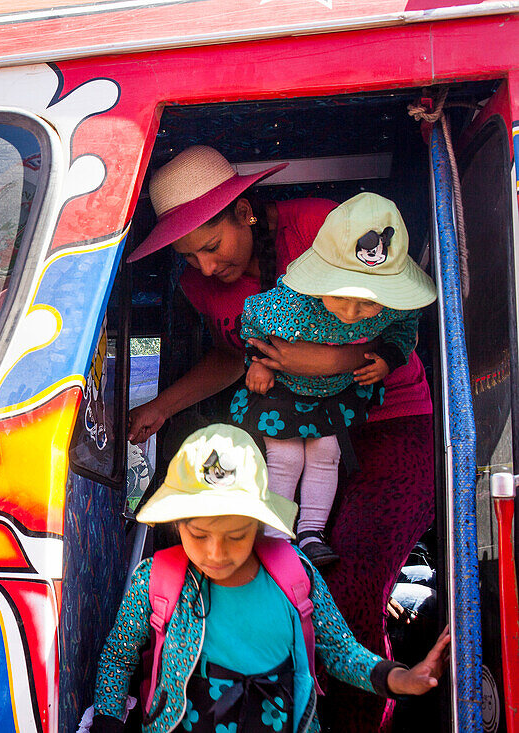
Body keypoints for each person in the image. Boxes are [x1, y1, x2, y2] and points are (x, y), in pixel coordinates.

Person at [125, 146, 436, 732]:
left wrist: (315, 362)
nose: (207, 269)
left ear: (244, 211)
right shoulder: (201, 288)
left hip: (388, 419)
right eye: (189, 258)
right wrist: (162, 408)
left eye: (212, 247)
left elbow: (392, 320)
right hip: (293, 423)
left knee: (348, 586)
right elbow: (235, 356)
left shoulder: (319, 225)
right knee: (278, 572)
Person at [90, 424, 449, 733]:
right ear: (178, 524)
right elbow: (118, 659)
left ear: (259, 524)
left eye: (235, 535)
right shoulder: (154, 581)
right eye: (199, 535)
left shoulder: (295, 574)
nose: (216, 553)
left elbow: (340, 651)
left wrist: (400, 678)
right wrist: (108, 724)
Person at [234, 193, 437, 566]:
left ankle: (312, 532)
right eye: (340, 297)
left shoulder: (391, 307)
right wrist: (257, 362)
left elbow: (406, 328)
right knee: (285, 457)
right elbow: (250, 320)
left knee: (327, 456)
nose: (352, 312)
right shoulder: (291, 303)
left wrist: (389, 359)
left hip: (335, 395)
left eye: (367, 303)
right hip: (283, 391)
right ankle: (276, 533)